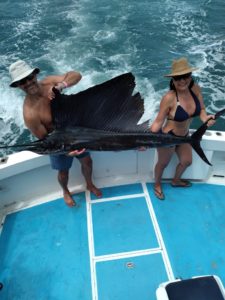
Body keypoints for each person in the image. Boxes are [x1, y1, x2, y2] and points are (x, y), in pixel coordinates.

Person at [9, 59, 102, 207]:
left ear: (35, 75)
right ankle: (65, 191)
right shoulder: (30, 114)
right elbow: (47, 142)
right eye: (22, 82)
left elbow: (76, 75)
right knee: (63, 172)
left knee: (87, 161)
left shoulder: (49, 82)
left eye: (29, 78)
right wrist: (66, 152)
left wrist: (61, 85)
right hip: (59, 144)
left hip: (76, 133)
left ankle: (89, 184)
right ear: (17, 86)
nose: (28, 83)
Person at [150, 57, 215, 200]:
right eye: (177, 78)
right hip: (168, 138)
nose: (182, 81)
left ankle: (176, 181)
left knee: (187, 161)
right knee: (163, 164)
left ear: (190, 76)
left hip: (185, 136)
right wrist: (145, 140)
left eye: (185, 76)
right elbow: (158, 122)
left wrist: (205, 119)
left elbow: (202, 109)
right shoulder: (169, 98)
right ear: (173, 80)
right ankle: (157, 185)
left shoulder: (196, 89)